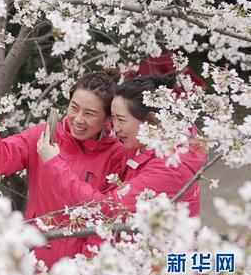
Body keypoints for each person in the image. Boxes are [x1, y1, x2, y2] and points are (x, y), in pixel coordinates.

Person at [37, 73, 207, 256]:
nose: (114, 127)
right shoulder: (143, 145)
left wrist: (55, 164)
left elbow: (108, 209)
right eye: (113, 119)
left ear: (151, 121)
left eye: (121, 120)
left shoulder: (170, 166)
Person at [0, 70, 126, 269]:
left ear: (108, 120)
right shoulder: (46, 136)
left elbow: (109, 216)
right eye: (74, 108)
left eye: (89, 114)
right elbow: (0, 159)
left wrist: (88, 270)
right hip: (37, 254)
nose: (78, 119)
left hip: (81, 266)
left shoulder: (117, 155)